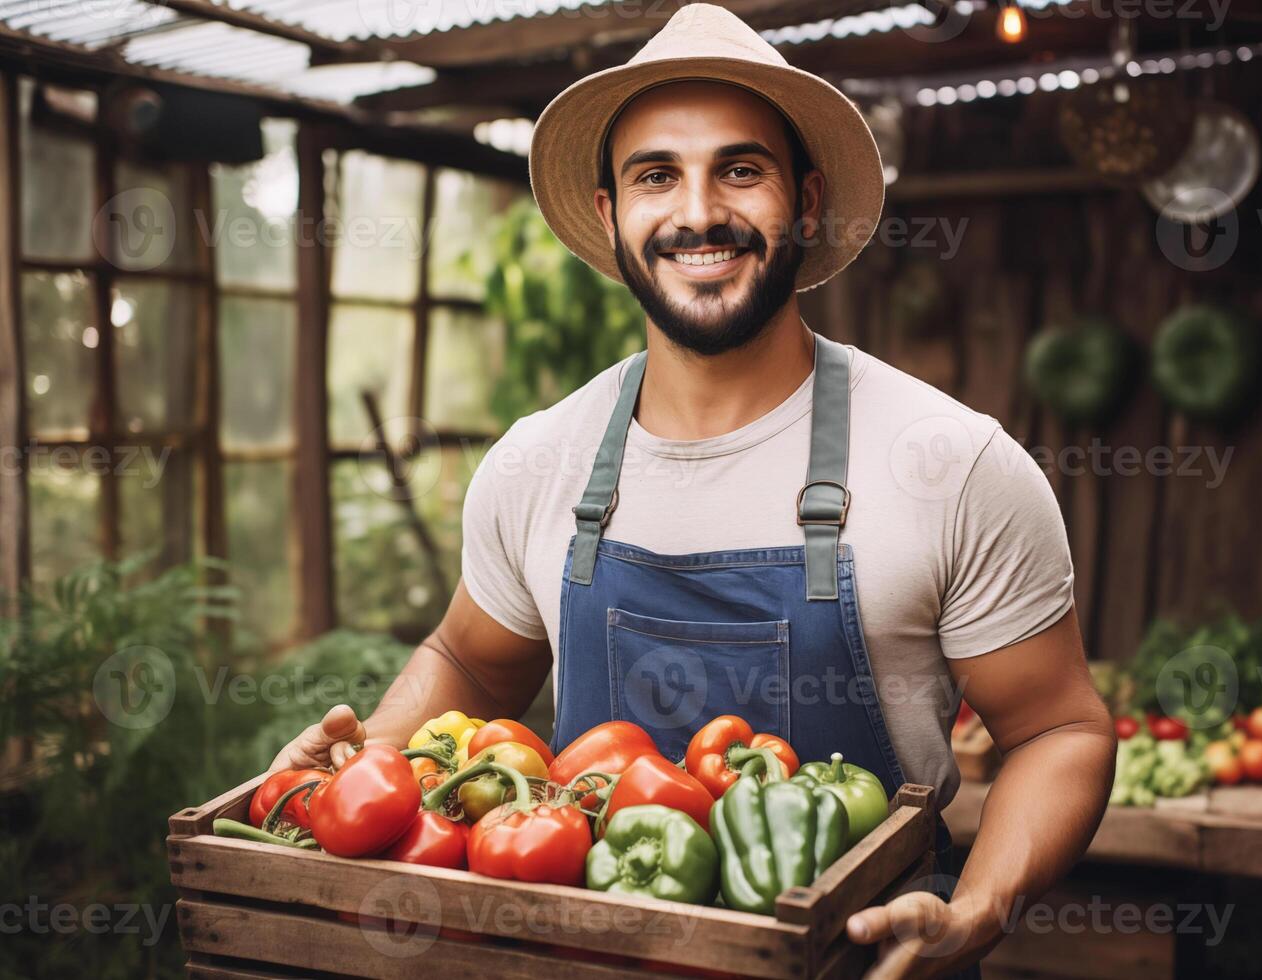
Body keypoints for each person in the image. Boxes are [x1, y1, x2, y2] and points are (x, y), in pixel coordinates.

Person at [272, 5, 1115, 976]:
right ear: (609, 213)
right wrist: (362, 758)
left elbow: (1059, 727)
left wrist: (978, 907)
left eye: (740, 169)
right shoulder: (539, 460)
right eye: (656, 175)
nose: (699, 211)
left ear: (804, 202)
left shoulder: (951, 463)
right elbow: (467, 657)